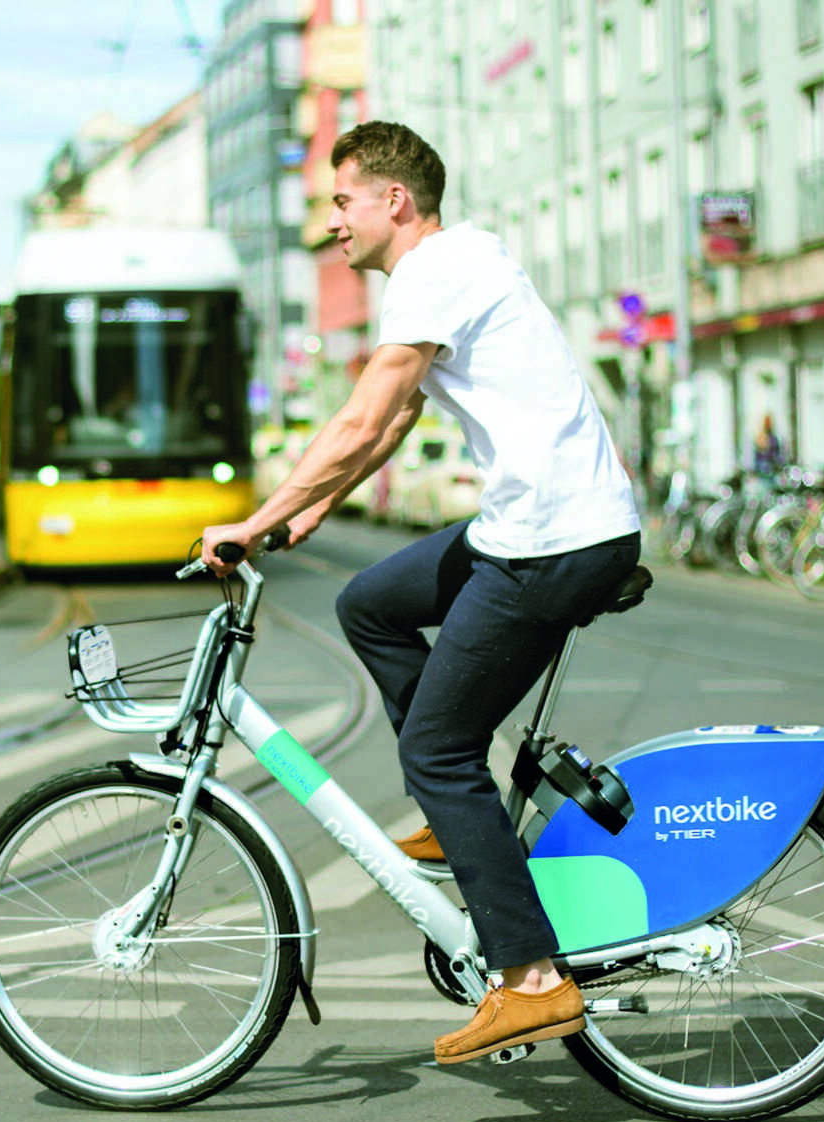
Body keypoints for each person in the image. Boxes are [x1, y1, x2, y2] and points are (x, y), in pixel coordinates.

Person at [199, 121, 641, 1066]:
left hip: (553, 543)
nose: (332, 223)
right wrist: (310, 512)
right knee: (371, 603)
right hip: (538, 526)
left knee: (437, 751)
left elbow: (363, 413)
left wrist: (254, 518)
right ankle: (459, 818)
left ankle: (531, 980)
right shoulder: (456, 266)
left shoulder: (436, 272)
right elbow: (395, 420)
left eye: (342, 202)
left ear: (394, 201)